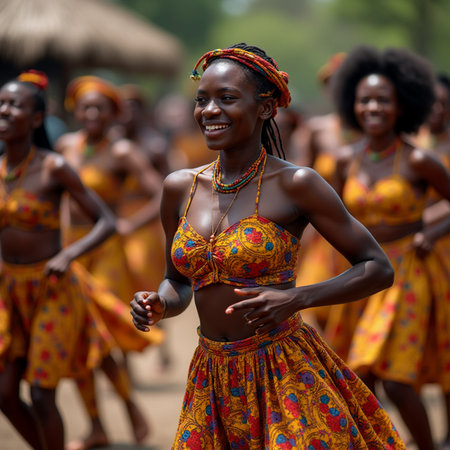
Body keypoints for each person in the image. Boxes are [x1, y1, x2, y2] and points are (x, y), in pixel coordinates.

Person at [130, 43, 405, 448]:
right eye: (202, 99)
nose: (209, 111)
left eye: (226, 99)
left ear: (266, 108)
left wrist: (295, 298)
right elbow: (179, 282)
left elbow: (377, 267)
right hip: (211, 375)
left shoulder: (297, 184)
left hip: (283, 369)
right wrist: (160, 302)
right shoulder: (179, 188)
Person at [331, 45, 450, 449]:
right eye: (365, 100)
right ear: (353, 104)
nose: (373, 108)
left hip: (406, 273)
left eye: (383, 100)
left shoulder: (419, 160)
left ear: (402, 107)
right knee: (359, 378)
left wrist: (430, 234)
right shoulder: (344, 161)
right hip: (358, 275)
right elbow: (320, 217)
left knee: (398, 382)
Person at [0, 71, 117, 450]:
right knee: (3, 393)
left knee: (40, 394)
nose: (4, 110)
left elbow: (106, 221)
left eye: (15, 105)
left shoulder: (53, 167)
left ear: (36, 119)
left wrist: (68, 254)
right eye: (1, 103)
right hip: (8, 291)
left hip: (52, 289)